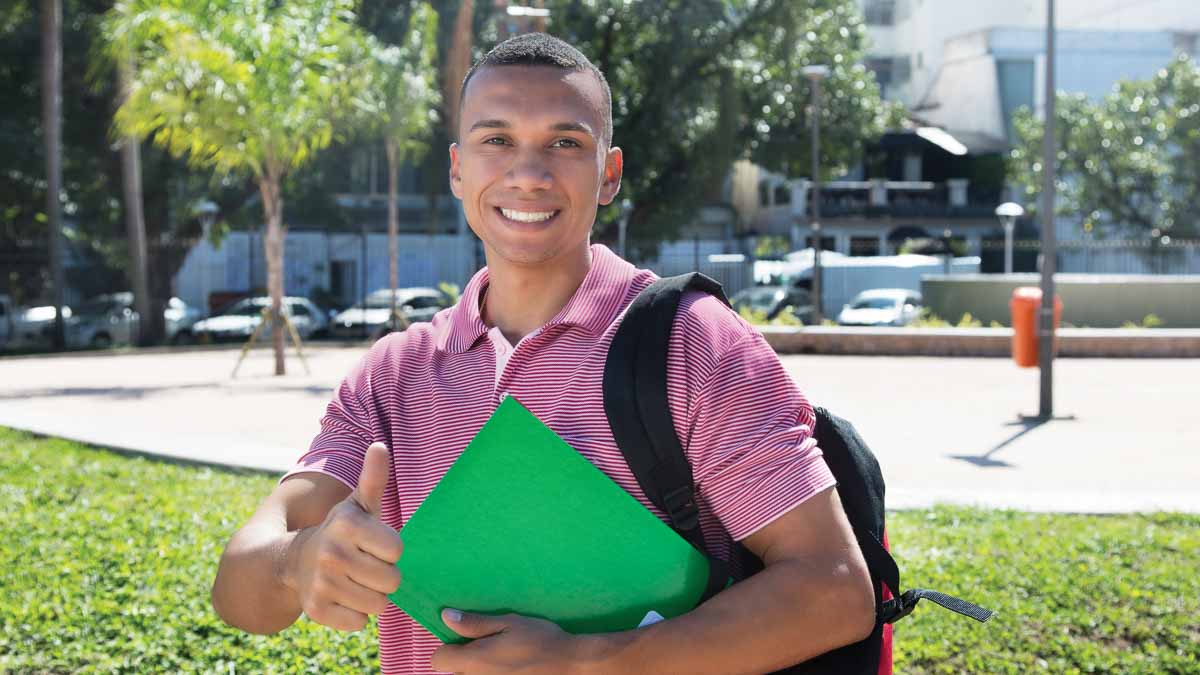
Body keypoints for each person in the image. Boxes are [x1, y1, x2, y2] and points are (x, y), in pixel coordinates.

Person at [211, 33, 874, 674]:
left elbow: (835, 589)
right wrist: (299, 561)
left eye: (565, 142)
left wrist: (586, 662)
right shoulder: (393, 374)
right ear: (457, 169)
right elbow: (239, 591)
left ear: (608, 174)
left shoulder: (693, 342)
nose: (528, 174)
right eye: (496, 140)